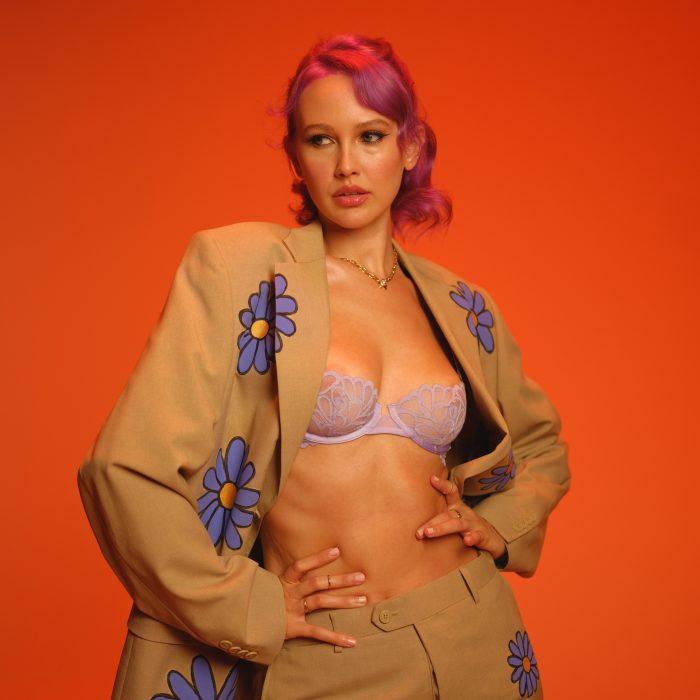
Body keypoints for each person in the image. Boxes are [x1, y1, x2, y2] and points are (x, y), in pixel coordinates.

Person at [78, 34, 570, 700]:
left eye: (370, 136)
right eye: (320, 140)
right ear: (295, 155)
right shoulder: (242, 273)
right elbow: (122, 470)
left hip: (474, 631)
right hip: (331, 654)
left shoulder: (461, 304)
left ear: (410, 147)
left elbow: (541, 446)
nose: (347, 165)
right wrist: (244, 605)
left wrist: (501, 523)